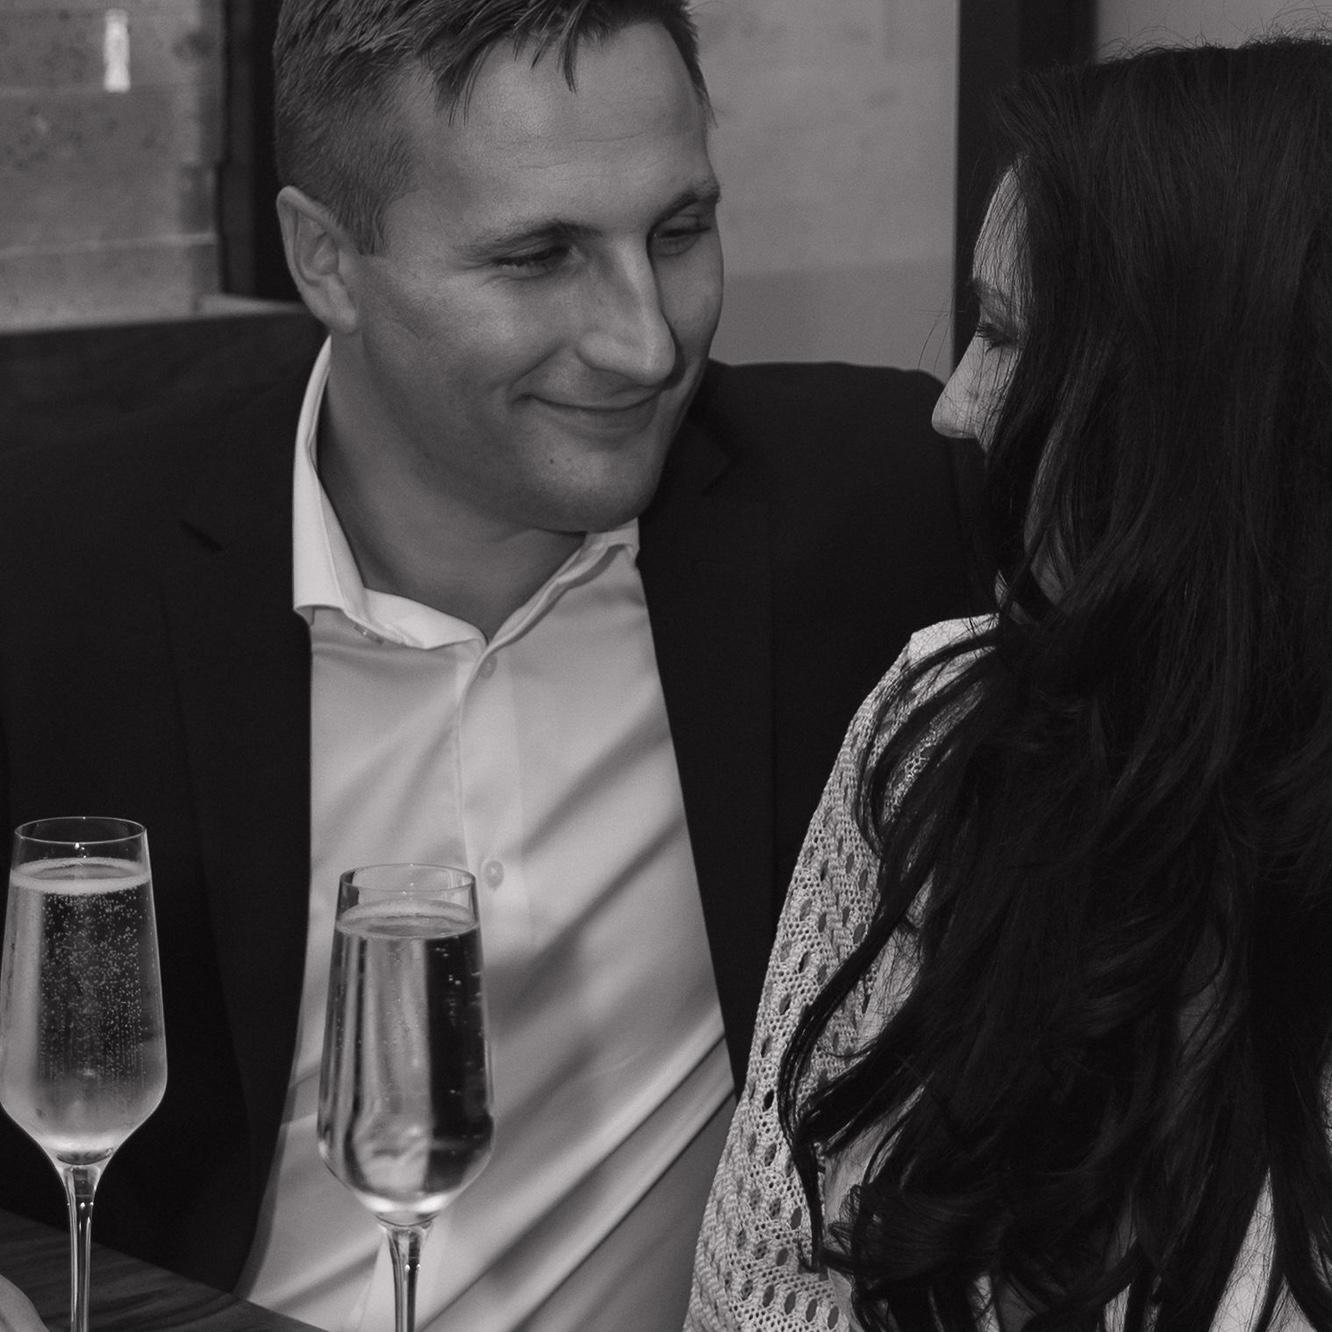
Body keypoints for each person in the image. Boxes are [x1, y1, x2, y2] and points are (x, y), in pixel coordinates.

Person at [0, 1, 983, 1328]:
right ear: (327, 259)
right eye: (537, 257)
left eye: (679, 231)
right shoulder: (53, 577)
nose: (646, 342)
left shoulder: (888, 505)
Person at [687, 32, 1332, 1332]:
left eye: (1006, 335)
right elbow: (758, 1286)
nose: (957, 407)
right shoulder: (949, 722)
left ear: (1211, 409)